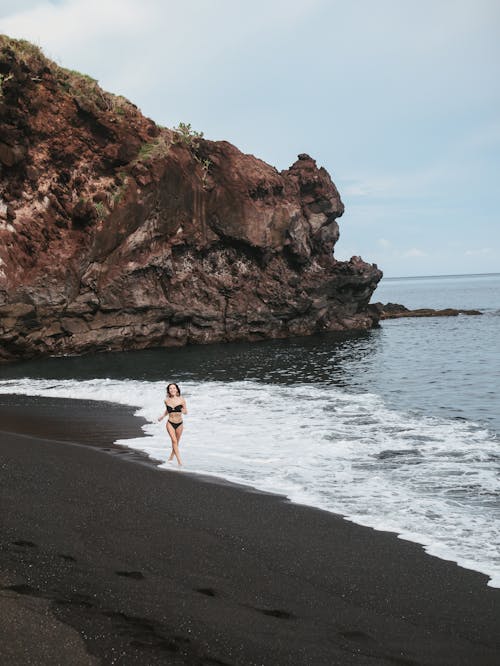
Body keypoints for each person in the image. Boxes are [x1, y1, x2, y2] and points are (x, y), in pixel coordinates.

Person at [158, 383, 187, 466]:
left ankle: (171, 457)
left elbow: (186, 411)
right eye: (170, 388)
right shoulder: (166, 400)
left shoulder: (182, 400)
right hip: (170, 422)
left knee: (176, 443)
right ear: (168, 391)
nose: (172, 390)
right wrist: (162, 416)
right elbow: (167, 410)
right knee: (174, 441)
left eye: (174, 388)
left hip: (179, 424)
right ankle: (180, 462)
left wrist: (182, 411)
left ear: (177, 389)